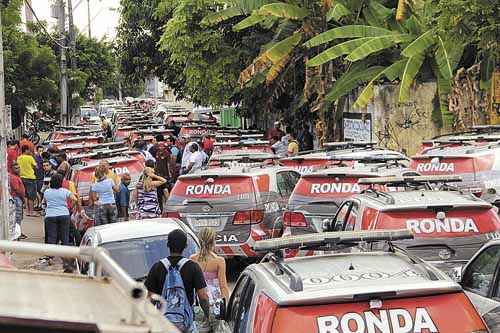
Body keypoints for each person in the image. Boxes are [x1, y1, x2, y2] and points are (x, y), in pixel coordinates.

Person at [145, 229, 210, 332]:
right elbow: (203, 297)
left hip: (164, 324)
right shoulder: (193, 267)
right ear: (185, 246)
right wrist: (208, 316)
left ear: (167, 244)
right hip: (186, 323)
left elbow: (150, 299)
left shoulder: (157, 267)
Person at [191, 228, 230, 330]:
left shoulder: (192, 259)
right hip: (215, 305)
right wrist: (225, 307)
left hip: (199, 303)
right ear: (213, 242)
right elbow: (223, 286)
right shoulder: (219, 261)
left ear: (199, 241)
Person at [43, 173, 77, 271]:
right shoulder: (65, 191)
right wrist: (70, 208)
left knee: (52, 237)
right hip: (64, 214)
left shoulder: (47, 192)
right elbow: (74, 199)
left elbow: (45, 202)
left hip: (50, 215)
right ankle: (65, 259)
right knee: (64, 236)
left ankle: (51, 258)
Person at [17, 146, 38, 217]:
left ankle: (27, 211)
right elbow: (36, 166)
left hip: (22, 177)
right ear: (26, 150)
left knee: (25, 195)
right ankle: (31, 211)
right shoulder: (30, 157)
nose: (30, 151)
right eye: (29, 150)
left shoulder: (19, 158)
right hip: (30, 178)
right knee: (31, 196)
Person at [9, 162, 26, 239]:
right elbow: (17, 189)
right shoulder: (13, 177)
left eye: (19, 168)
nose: (18, 169)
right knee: (17, 216)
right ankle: (17, 233)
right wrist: (23, 198)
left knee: (18, 216)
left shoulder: (15, 176)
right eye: (16, 168)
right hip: (16, 198)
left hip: (17, 198)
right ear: (12, 169)